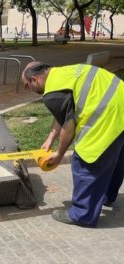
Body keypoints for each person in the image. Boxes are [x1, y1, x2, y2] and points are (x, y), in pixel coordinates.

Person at [22, 61, 124, 227]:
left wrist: (59, 154)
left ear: (34, 80)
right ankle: (106, 195)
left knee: (84, 163)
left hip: (108, 116)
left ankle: (82, 214)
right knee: (113, 156)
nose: (29, 90)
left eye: (27, 86)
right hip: (121, 107)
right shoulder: (62, 73)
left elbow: (68, 127)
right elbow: (63, 111)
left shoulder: (52, 94)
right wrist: (50, 138)